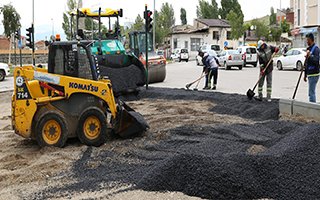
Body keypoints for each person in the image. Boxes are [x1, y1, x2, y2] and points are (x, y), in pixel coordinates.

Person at [304, 33, 319, 103]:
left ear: (311, 40)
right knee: (311, 92)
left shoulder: (316, 49)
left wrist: (310, 56)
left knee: (311, 92)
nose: (307, 41)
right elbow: (306, 63)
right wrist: (305, 75)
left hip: (314, 74)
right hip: (310, 74)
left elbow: (316, 61)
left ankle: (313, 108)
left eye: (307, 40)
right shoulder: (308, 49)